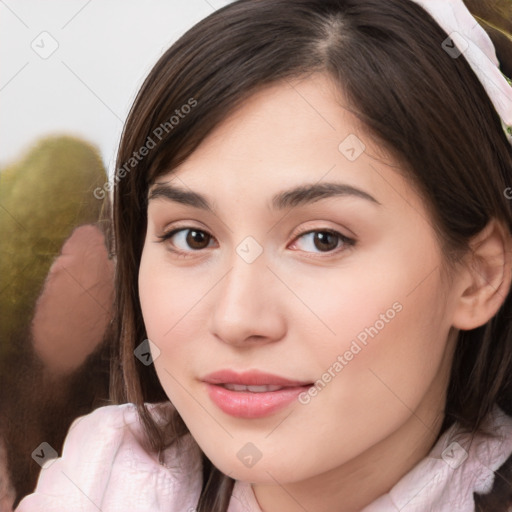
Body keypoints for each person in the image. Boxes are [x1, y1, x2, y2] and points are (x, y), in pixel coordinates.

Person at [15, 0, 512, 510]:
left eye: (323, 239)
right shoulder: (103, 480)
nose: (236, 319)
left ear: (479, 274)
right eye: (192, 237)